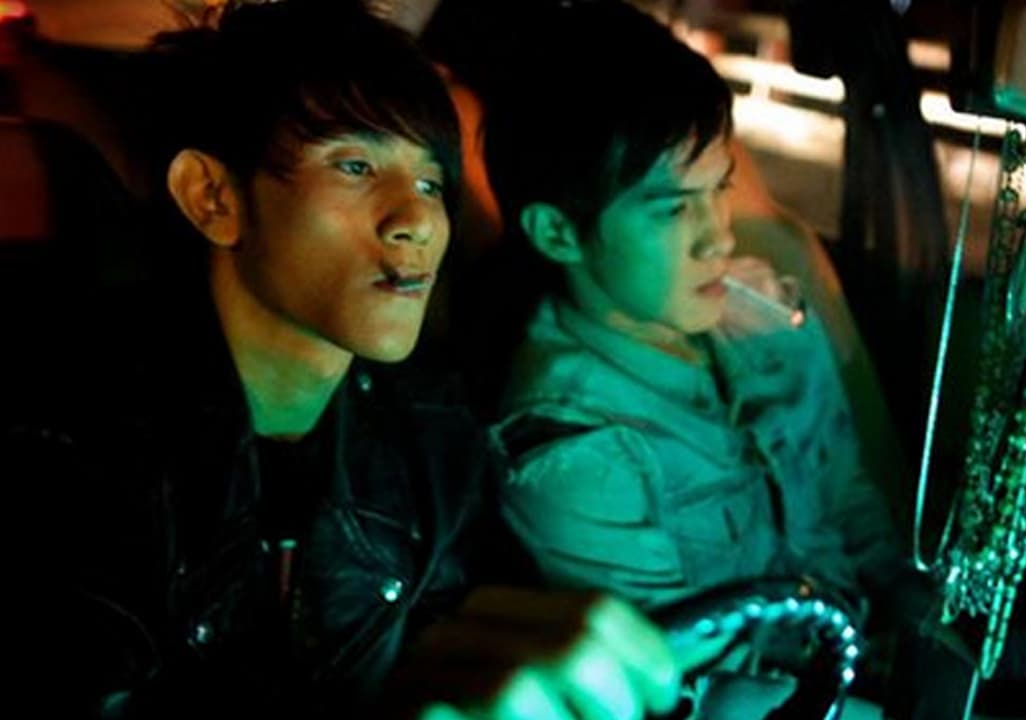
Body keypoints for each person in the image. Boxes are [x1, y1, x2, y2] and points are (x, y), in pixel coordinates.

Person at [4, 2, 691, 718]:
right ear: (213, 197)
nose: (417, 221)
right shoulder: (73, 455)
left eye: (431, 183)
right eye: (356, 166)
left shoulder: (430, 439)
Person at [480, 2, 971, 717]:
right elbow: (698, 693)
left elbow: (851, 502)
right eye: (674, 209)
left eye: (718, 190)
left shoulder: (763, 308)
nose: (718, 236)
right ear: (559, 232)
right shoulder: (575, 452)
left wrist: (941, 637)